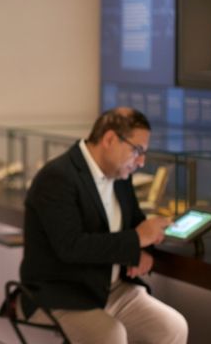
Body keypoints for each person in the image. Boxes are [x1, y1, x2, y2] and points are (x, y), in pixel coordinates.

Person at [20, 107, 189, 344]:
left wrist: (143, 251)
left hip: (112, 288)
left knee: (172, 327)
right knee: (110, 335)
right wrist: (136, 241)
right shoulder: (57, 177)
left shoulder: (120, 176)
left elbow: (137, 224)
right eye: (137, 150)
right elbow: (71, 246)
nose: (141, 162)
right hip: (63, 293)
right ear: (109, 139)